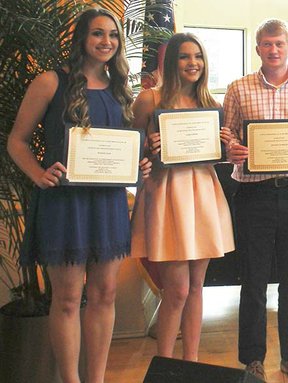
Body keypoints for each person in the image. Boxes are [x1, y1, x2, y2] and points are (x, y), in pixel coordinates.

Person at [7, 7, 151, 383]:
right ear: (81, 39)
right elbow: (16, 141)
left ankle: (96, 379)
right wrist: (38, 173)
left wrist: (140, 167)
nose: (107, 42)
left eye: (113, 36)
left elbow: (122, 150)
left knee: (104, 296)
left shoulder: (122, 90)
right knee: (68, 299)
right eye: (98, 34)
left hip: (108, 204)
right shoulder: (50, 82)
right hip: (64, 204)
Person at [224, 18, 288, 383]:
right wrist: (232, 148)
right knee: (252, 279)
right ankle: (252, 360)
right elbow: (228, 136)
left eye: (279, 43)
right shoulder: (238, 88)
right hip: (254, 192)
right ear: (258, 49)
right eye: (267, 44)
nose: (273, 50)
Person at [130, 33, 235, 361]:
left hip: (202, 194)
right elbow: (129, 149)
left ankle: (190, 364)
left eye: (198, 57)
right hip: (166, 195)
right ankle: (164, 367)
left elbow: (220, 159)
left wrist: (226, 145)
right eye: (185, 57)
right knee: (174, 290)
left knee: (195, 288)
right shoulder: (149, 99)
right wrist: (147, 149)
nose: (193, 64)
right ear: (171, 61)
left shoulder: (211, 104)